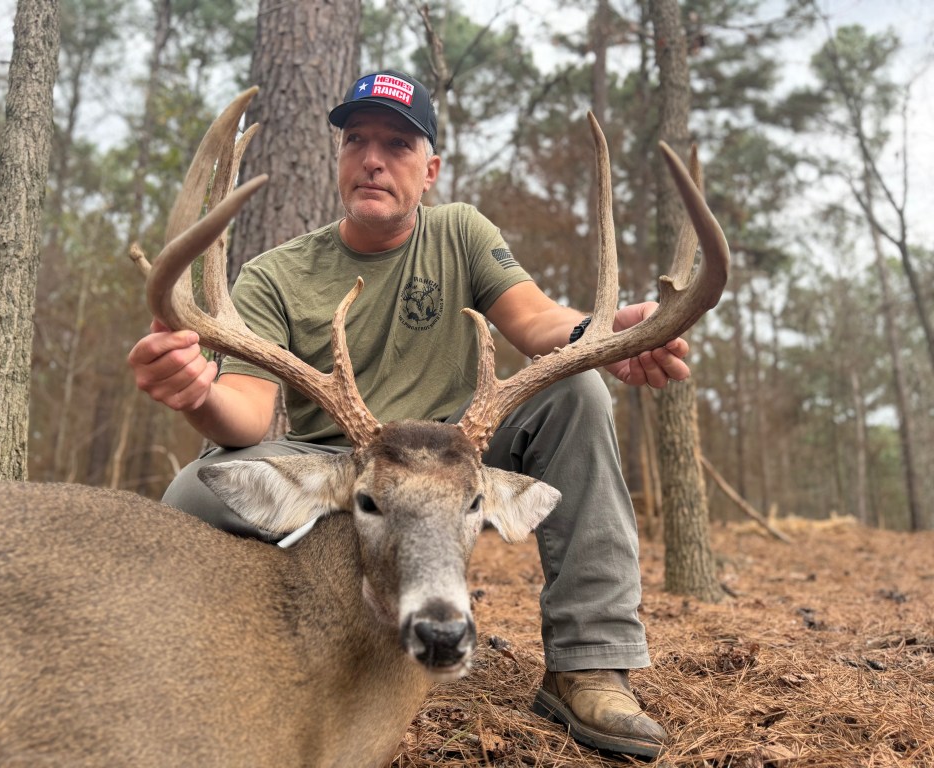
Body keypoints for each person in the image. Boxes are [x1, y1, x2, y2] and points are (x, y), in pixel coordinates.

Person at [128, 70, 688, 758]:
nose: (371, 158)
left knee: (578, 395)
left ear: (430, 170)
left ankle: (589, 663)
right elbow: (246, 416)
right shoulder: (276, 274)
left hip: (454, 455)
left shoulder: (461, 233)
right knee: (191, 491)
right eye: (356, 140)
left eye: (396, 144)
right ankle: (210, 653)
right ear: (339, 158)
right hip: (340, 467)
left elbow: (535, 318)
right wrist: (198, 392)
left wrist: (597, 337)